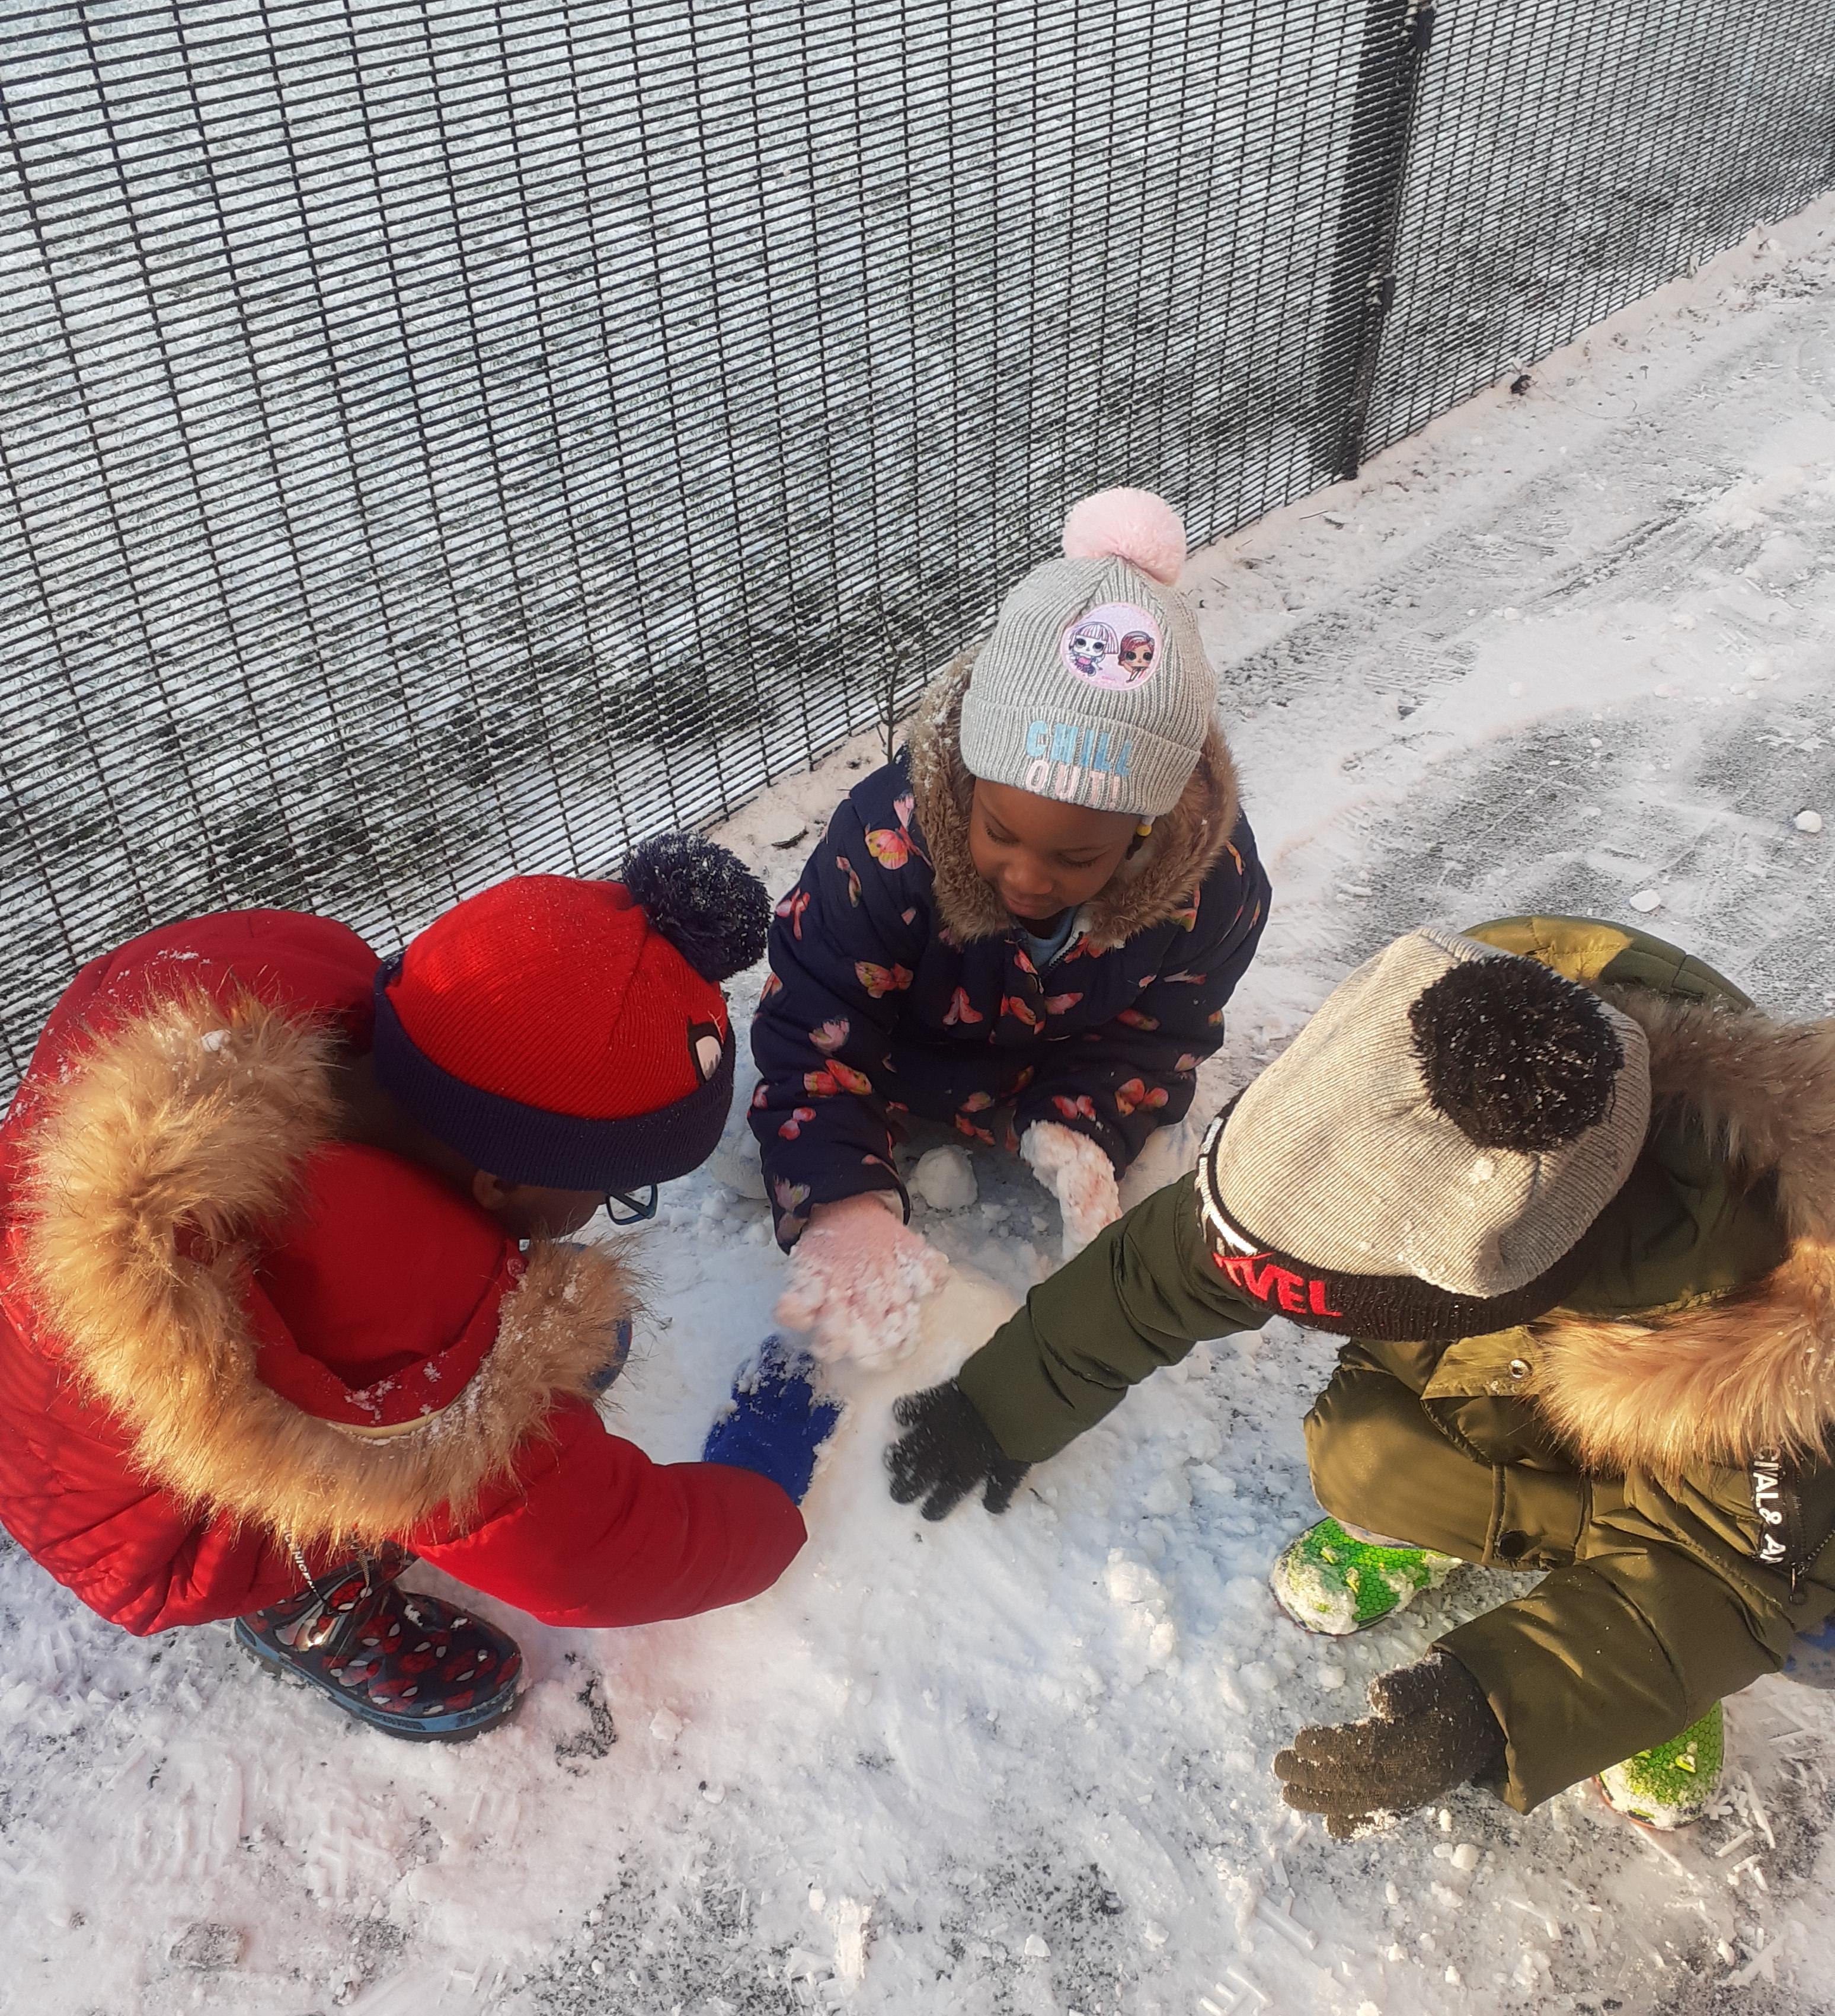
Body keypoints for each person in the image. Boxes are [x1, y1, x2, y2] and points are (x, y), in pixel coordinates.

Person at [883, 916, 1835, 1832]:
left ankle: (1650, 1686)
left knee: (1775, 1616)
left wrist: (1493, 1709)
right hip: (1504, 1365)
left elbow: (1734, 1575)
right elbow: (1185, 1263)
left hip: (1703, 1485)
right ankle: (1489, 1540)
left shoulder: (1779, 1328)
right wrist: (1002, 1401)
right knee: (1360, 1457)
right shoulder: (1427, 1059)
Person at [0, 838, 839, 1743]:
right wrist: (764, 1491)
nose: (607, 1211)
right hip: (149, 1532)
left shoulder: (268, 984)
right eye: (616, 1188)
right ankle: (308, 1604)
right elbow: (585, 1556)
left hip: (52, 1379)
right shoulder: (393, 1312)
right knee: (402, 1470)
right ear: (500, 1181)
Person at [749, 488, 1270, 1369]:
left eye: (1077, 858)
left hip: (1048, 1065)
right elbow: (813, 1015)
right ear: (969, 782)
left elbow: (1162, 1034)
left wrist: (1084, 1120)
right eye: (998, 832)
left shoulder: (1210, 889)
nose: (1028, 878)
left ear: (1143, 831)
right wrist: (841, 1201)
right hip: (900, 1073)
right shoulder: (885, 847)